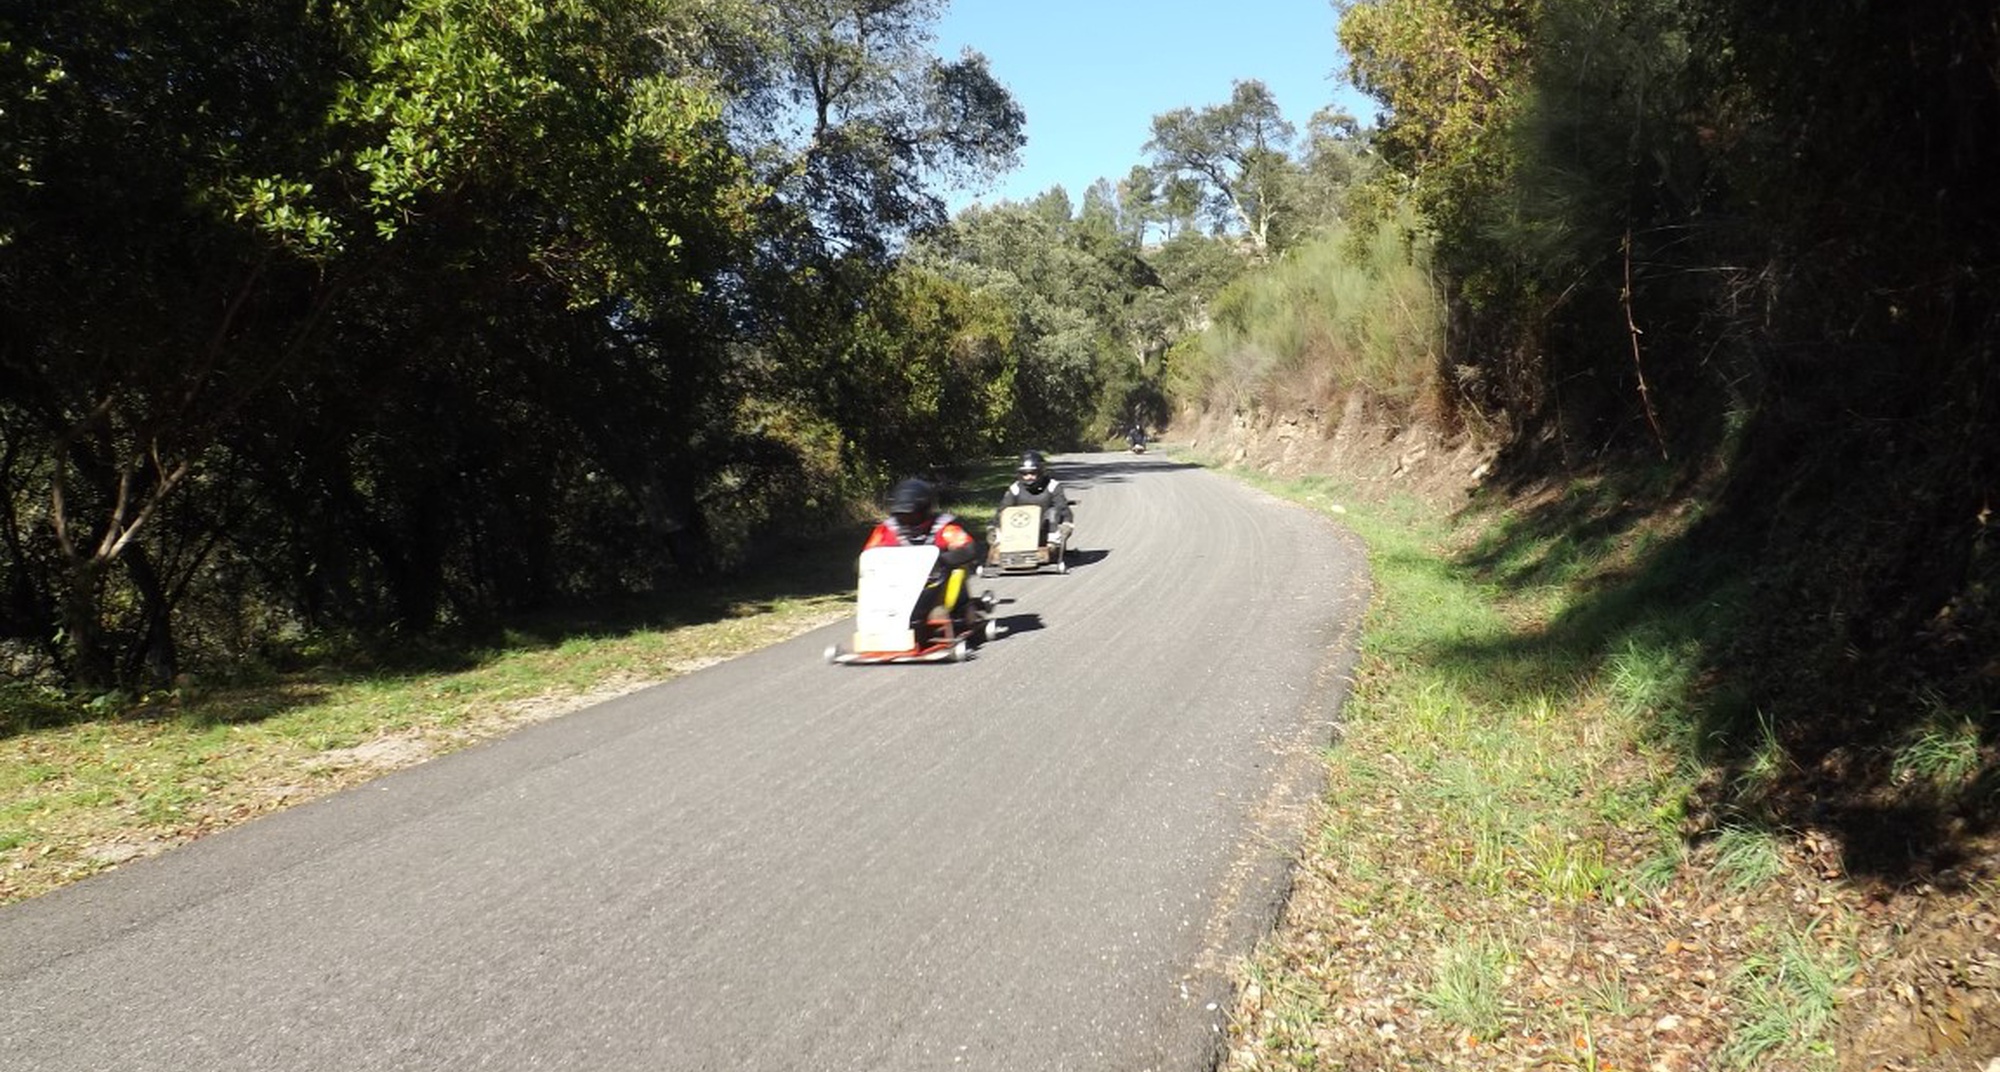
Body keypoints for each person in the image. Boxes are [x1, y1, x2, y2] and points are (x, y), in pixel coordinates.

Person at [864, 477, 980, 634]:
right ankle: (879, 623)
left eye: (912, 516)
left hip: (936, 580)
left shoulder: (943, 527)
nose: (907, 522)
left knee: (957, 571)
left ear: (925, 510)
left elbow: (969, 548)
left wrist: (942, 560)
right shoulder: (887, 530)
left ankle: (944, 613)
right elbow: (868, 557)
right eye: (902, 516)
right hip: (899, 582)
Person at [994, 450, 1073, 550]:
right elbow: (1002, 510)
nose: (1028, 477)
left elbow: (1063, 509)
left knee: (1053, 512)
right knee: (1006, 513)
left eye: (1032, 473)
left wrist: (1067, 525)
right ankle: (1002, 543)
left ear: (1040, 472)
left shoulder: (1053, 486)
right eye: (1025, 474)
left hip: (1046, 533)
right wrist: (994, 528)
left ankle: (1053, 544)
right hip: (1020, 532)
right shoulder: (1015, 488)